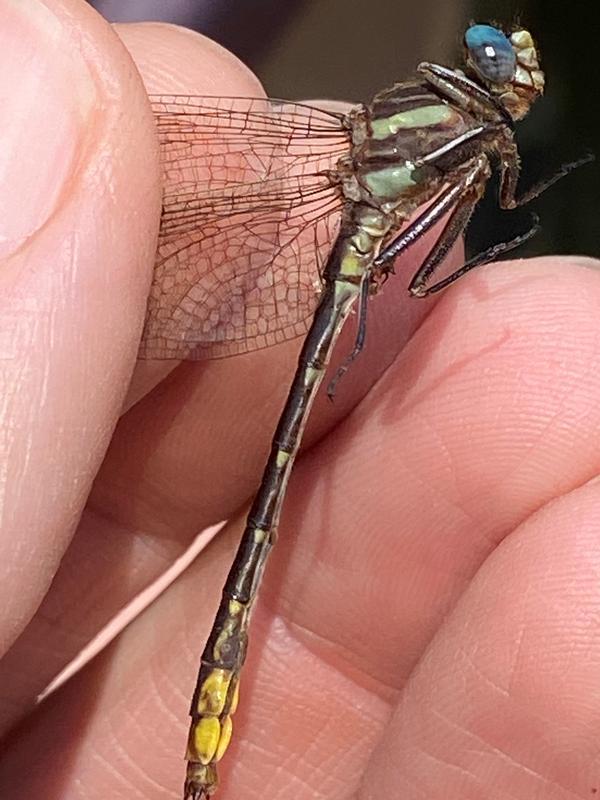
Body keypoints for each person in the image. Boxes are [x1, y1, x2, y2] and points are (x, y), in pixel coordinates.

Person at [2, 2, 600, 798]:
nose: (511, 70)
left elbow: (443, 249)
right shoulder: (461, 136)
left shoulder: (461, 133)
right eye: (498, 59)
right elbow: (462, 244)